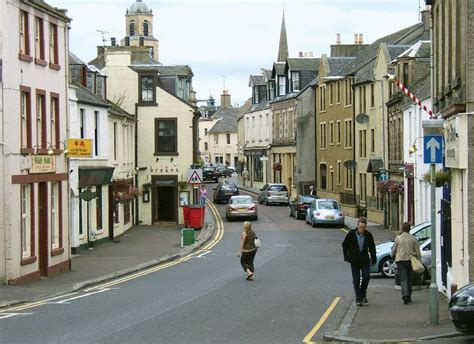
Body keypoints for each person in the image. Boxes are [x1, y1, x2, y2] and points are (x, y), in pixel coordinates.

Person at [342, 217, 376, 306]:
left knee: (366, 277)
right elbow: (345, 245)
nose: (362, 229)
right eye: (360, 227)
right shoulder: (351, 234)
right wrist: (346, 256)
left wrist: (374, 259)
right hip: (354, 260)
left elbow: (372, 248)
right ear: (357, 226)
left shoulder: (368, 235)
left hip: (365, 260)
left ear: (366, 227)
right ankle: (358, 298)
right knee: (356, 279)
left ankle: (362, 293)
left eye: (363, 227)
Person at [391, 222, 422, 305]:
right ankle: (409, 296)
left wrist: (393, 254)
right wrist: (419, 261)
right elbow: (418, 252)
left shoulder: (398, 238)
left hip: (401, 261)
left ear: (402, 228)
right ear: (409, 229)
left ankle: (405, 295)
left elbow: (393, 250)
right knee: (409, 279)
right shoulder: (414, 239)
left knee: (403, 279)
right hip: (410, 261)